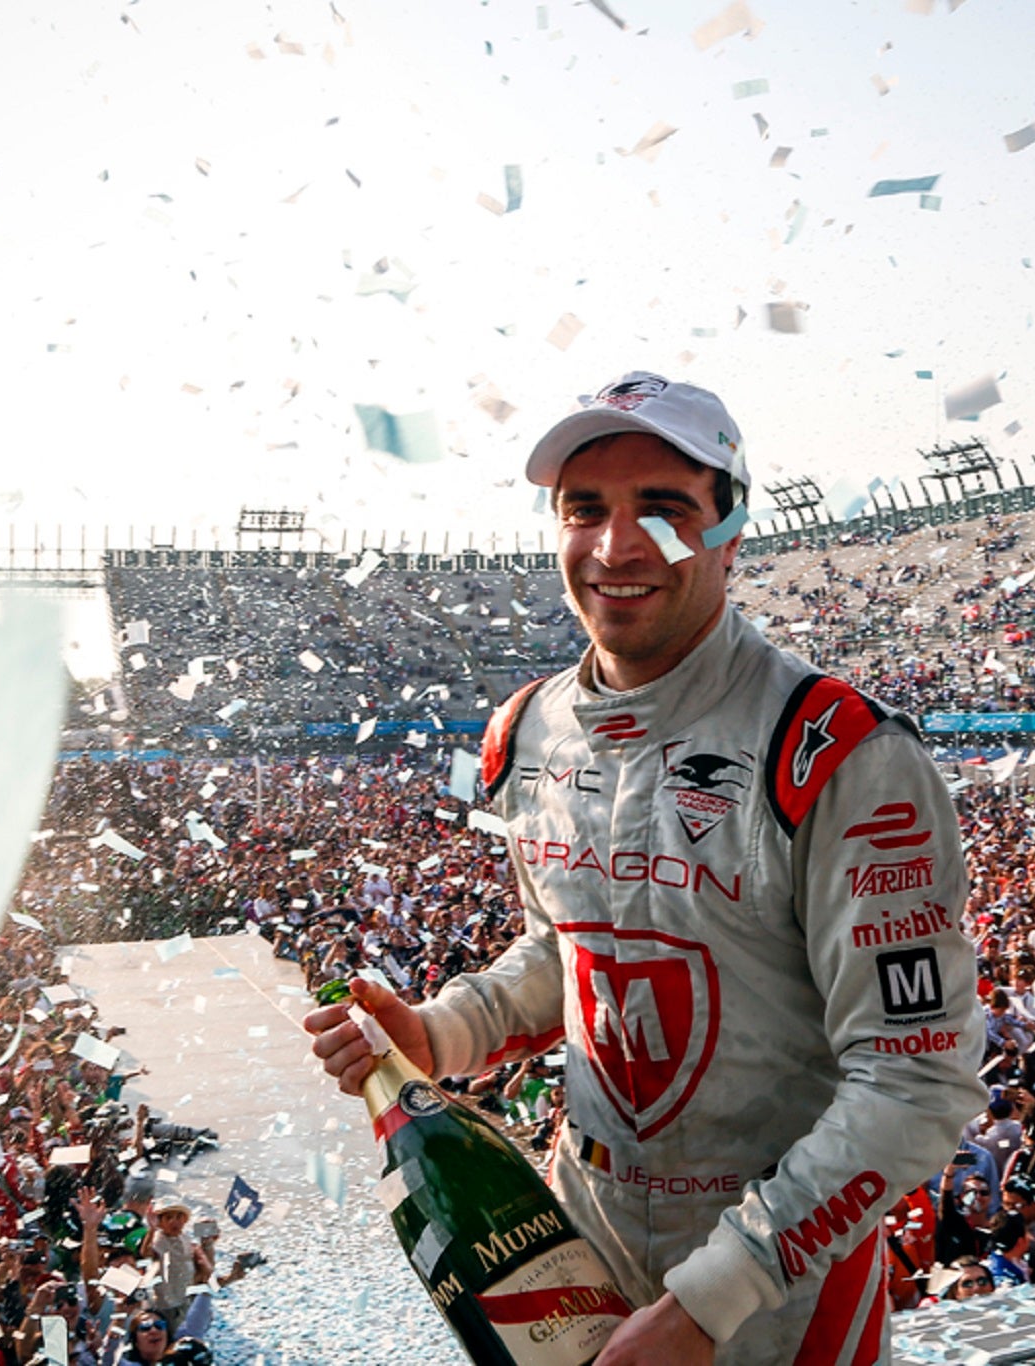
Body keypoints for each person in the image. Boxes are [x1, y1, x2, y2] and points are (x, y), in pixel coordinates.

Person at [306, 372, 986, 1365]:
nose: (617, 546)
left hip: (780, 1291)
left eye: (662, 510)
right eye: (586, 510)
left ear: (729, 531)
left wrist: (709, 1301)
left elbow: (917, 1080)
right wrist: (440, 1031)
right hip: (578, 1250)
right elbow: (569, 950)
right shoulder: (523, 731)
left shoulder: (840, 751)